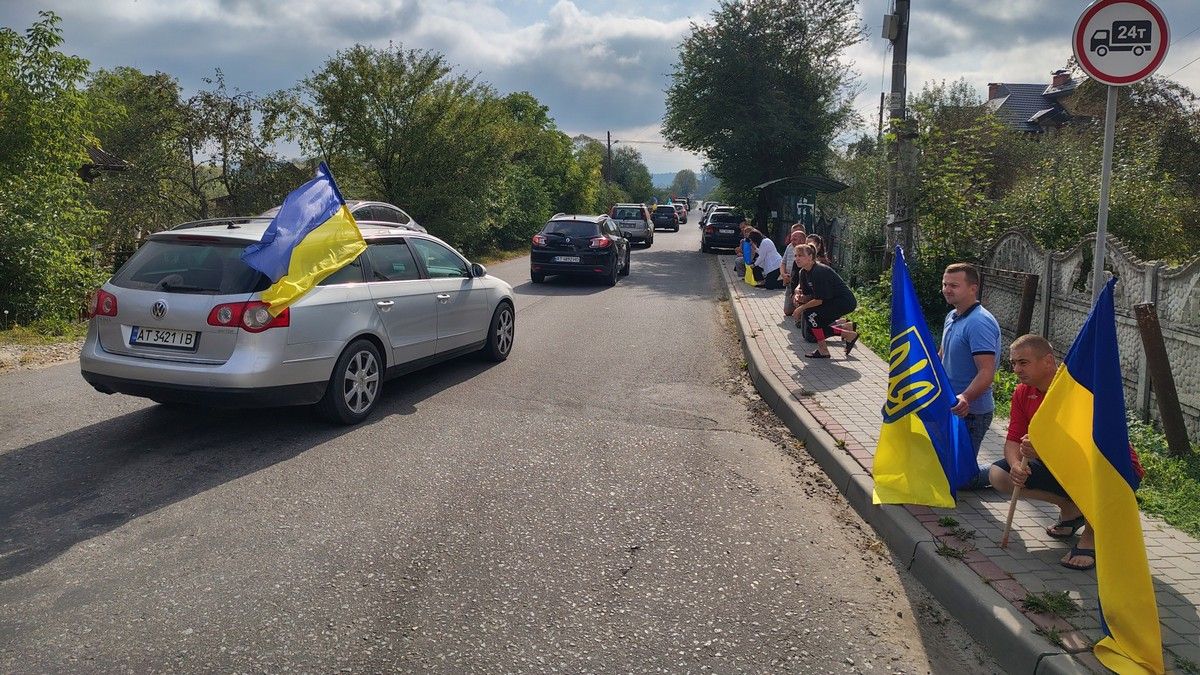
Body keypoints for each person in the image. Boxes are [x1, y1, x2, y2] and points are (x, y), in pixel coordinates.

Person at [939, 262, 1000, 489]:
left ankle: (1006, 472)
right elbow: (943, 355)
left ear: (973, 288)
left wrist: (965, 397)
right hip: (950, 407)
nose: (947, 289)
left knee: (962, 478)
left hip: (972, 413)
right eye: (945, 284)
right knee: (943, 466)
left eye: (954, 285)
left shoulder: (979, 322)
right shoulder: (952, 316)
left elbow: (987, 371)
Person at [792, 244, 859, 358]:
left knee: (810, 315)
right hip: (829, 301)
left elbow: (819, 300)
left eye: (801, 255)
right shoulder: (803, 272)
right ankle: (848, 333)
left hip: (844, 301)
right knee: (814, 324)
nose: (797, 258)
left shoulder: (819, 271)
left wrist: (800, 309)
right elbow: (809, 295)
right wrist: (799, 296)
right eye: (796, 255)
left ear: (810, 257)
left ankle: (823, 349)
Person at [781, 229, 806, 318]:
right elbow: (783, 263)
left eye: (794, 239)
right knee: (787, 311)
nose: (792, 241)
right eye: (791, 239)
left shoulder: (806, 251)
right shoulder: (789, 247)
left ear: (802, 240)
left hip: (800, 282)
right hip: (789, 280)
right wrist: (783, 274)